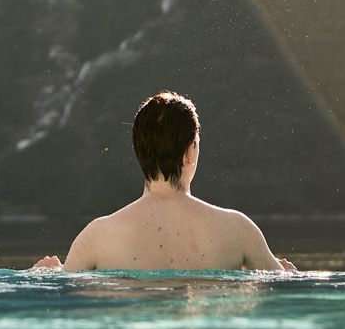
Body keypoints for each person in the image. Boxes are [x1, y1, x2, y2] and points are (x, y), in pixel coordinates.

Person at [30, 91, 295, 272]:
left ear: (138, 151)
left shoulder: (96, 236)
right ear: (190, 152)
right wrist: (289, 274)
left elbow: (63, 290)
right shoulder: (238, 230)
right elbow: (280, 287)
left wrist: (44, 275)